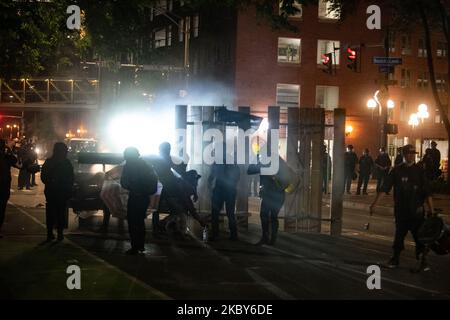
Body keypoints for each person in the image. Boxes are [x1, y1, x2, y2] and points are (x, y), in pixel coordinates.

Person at [370, 144, 436, 272]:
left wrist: (431, 210)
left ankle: (423, 261)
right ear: (404, 155)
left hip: (417, 211)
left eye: (413, 154)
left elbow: (427, 192)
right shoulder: (396, 171)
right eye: (409, 153)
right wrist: (374, 204)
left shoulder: (419, 171)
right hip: (401, 210)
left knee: (419, 237)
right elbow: (385, 188)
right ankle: (395, 259)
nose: (411, 156)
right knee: (399, 235)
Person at [120, 147, 157, 255]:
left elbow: (124, 182)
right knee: (139, 222)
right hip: (144, 197)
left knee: (133, 222)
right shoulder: (146, 165)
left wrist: (132, 186)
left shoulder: (129, 166)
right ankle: (140, 245)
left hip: (135, 196)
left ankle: (135, 246)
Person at [248, 156, 290, 246]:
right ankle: (270, 239)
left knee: (266, 216)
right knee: (271, 216)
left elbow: (250, 170)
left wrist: (255, 159)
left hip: (272, 195)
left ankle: (266, 238)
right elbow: (250, 170)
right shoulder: (280, 163)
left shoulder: (266, 163)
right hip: (277, 195)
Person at [41, 143, 74, 242]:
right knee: (60, 213)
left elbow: (44, 178)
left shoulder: (49, 162)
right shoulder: (66, 163)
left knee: (51, 213)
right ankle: (59, 234)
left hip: (51, 192)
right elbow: (71, 178)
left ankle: (50, 233)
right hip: (61, 192)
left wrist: (51, 182)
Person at [208, 159, 240, 241]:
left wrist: (210, 186)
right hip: (229, 190)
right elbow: (237, 176)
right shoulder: (232, 162)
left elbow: (211, 176)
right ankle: (233, 235)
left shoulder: (218, 162)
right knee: (230, 214)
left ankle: (216, 234)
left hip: (220, 190)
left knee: (216, 213)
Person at [0, 139, 18, 238]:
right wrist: (10, 150)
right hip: (3, 188)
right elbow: (16, 162)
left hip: (4, 188)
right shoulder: (7, 157)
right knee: (1, 210)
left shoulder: (6, 157)